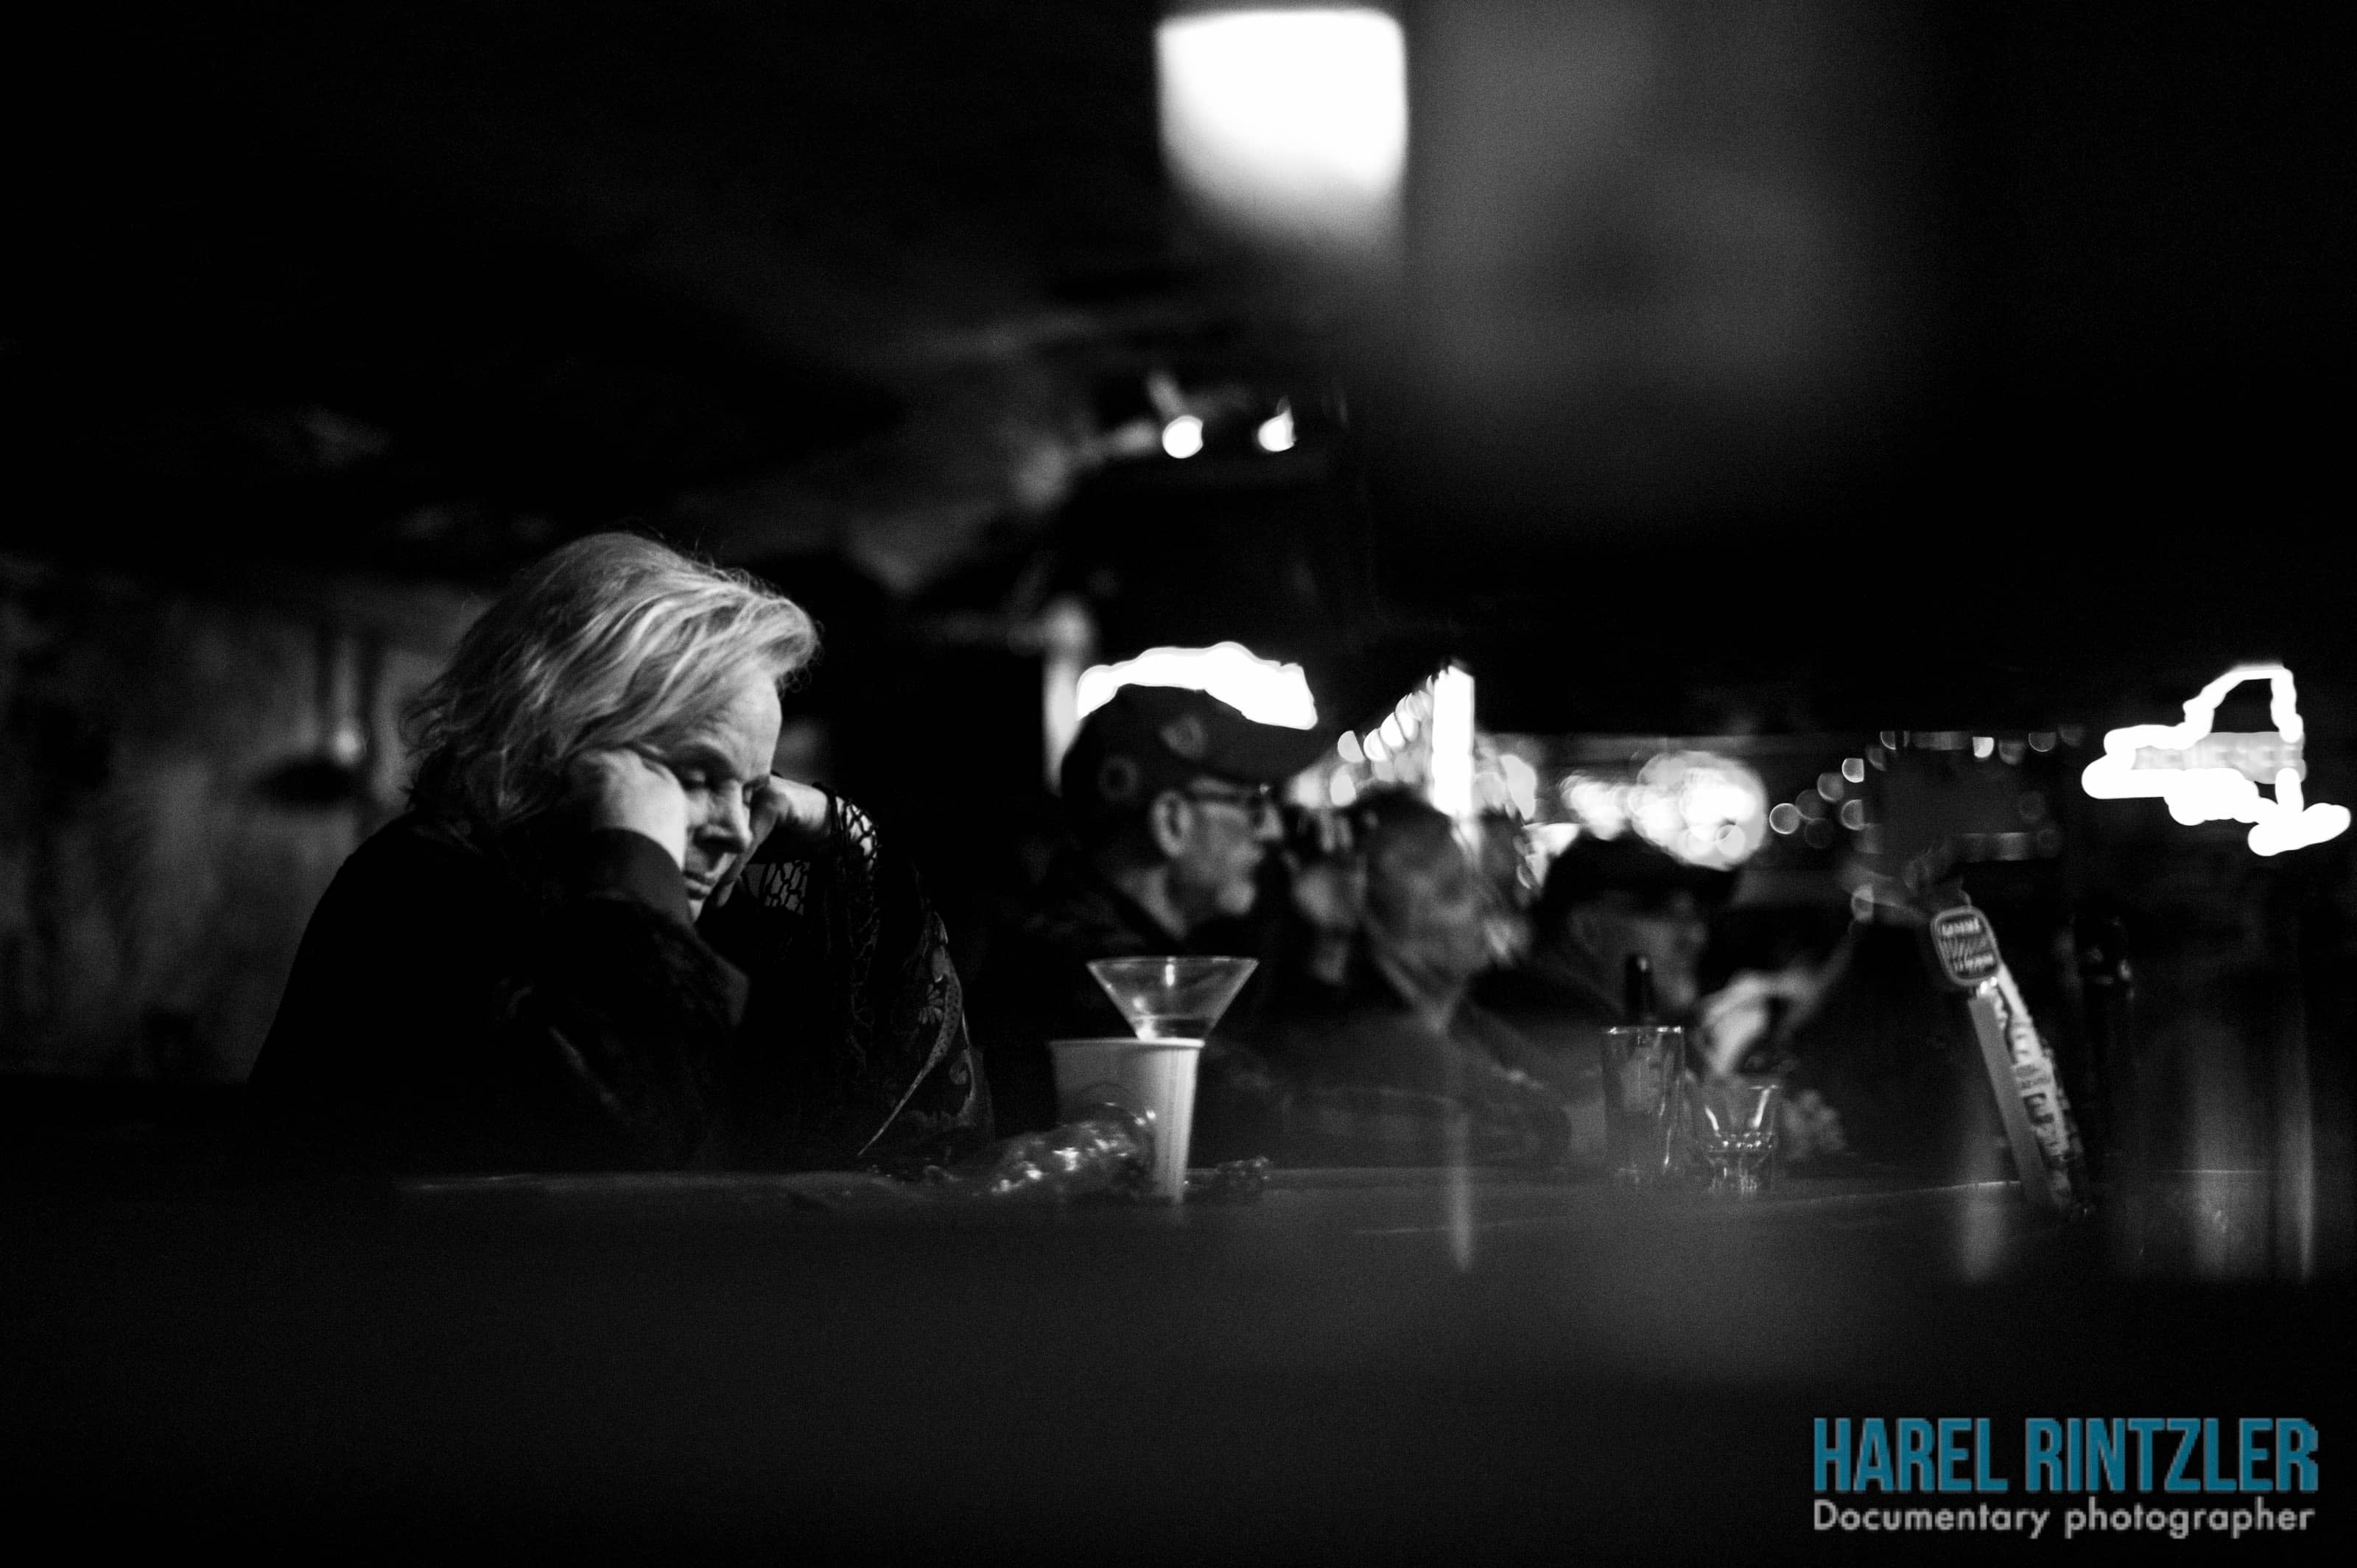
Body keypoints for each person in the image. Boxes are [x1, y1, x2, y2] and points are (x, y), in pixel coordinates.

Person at [249, 533, 988, 1174]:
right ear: (564, 746)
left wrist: (842, 835)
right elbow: (627, 1136)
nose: (737, 828)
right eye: (695, 776)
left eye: (751, 789)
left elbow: (916, 1121)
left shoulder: (684, 915)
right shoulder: (422, 888)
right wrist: (634, 848)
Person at [965, 683, 1332, 1134]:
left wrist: (1319, 940)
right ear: (1171, 821)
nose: (1272, 830)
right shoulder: (1079, 973)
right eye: (1251, 803)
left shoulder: (1076, 935)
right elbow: (1261, 1117)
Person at [1253, 790, 1579, 1167]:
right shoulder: (1376, 1040)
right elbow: (1570, 1120)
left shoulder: (1469, 1018)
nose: (1484, 902)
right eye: (1452, 890)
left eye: (1474, 881)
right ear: (1372, 920)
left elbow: (1571, 1091)